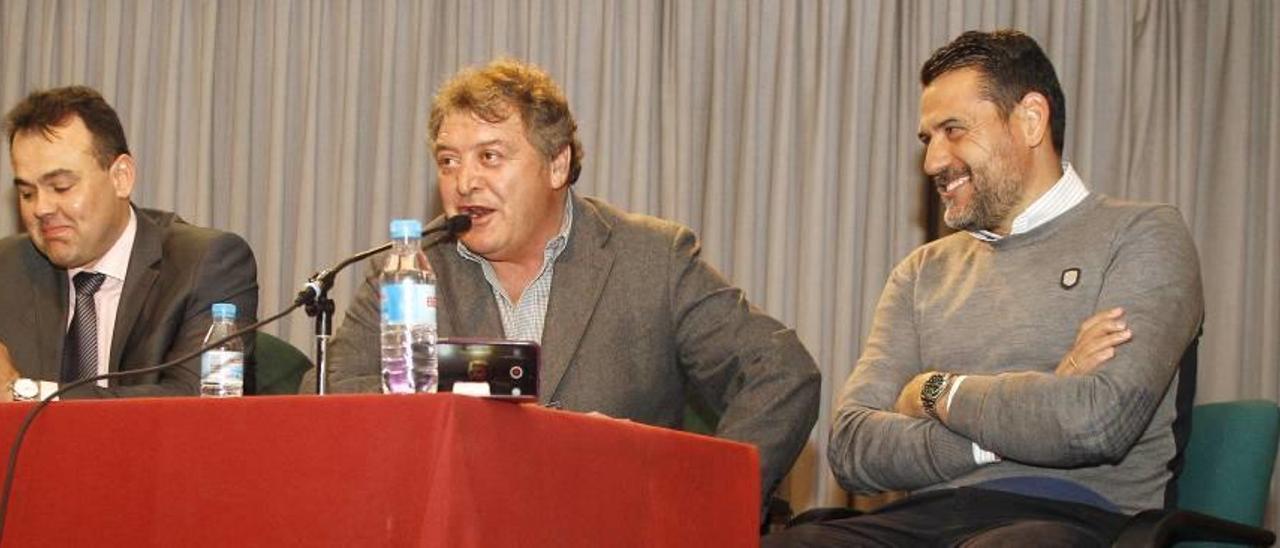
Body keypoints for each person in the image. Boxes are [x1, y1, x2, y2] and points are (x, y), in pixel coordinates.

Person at [317, 58, 821, 507]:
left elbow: (781, 372)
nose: (463, 181)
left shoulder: (651, 259)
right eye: (449, 160)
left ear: (556, 164)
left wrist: (702, 499)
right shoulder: (412, 268)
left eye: (490, 157)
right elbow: (335, 394)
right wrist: (453, 390)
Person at [766, 30, 1203, 546]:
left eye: (954, 129)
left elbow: (1094, 422)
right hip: (925, 518)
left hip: (1072, 520)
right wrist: (1027, 410)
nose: (932, 161)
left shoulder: (1144, 234)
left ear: (1031, 120)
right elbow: (853, 447)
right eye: (929, 139)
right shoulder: (920, 272)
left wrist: (933, 391)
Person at [0, 86, 259, 400]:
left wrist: (24, 395)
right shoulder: (8, 267)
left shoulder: (207, 263)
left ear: (121, 177)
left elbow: (196, 401)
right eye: (27, 193)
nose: (41, 208)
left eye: (61, 186)